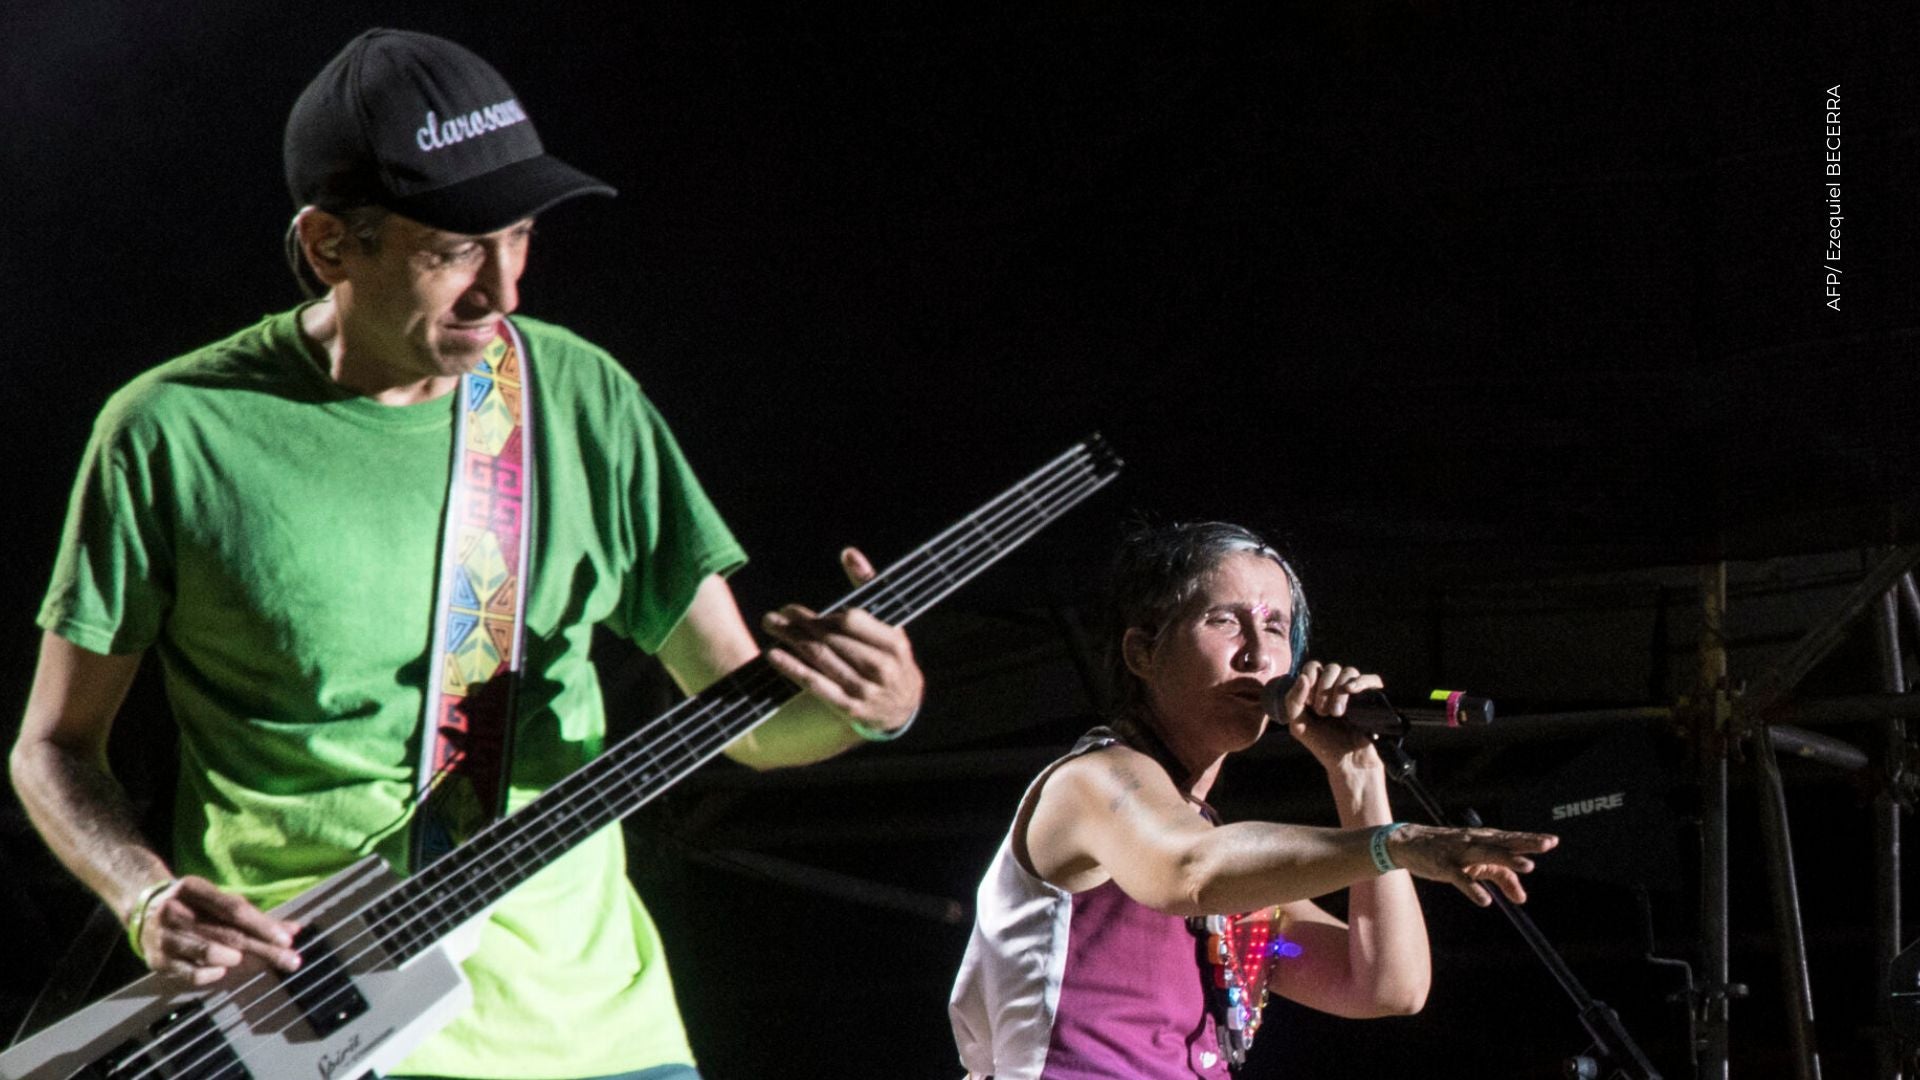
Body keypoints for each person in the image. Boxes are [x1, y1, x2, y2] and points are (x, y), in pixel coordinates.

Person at [11, 28, 923, 1080]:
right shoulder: (172, 432)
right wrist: (145, 896)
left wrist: (871, 707)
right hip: (303, 1027)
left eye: (520, 235)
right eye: (451, 252)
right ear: (328, 246)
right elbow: (53, 749)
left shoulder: (582, 398)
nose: (505, 292)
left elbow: (749, 724)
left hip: (592, 1034)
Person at [948, 521, 1558, 1078]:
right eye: (1223, 621)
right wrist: (1394, 844)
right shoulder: (1094, 780)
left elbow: (1385, 985)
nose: (1259, 655)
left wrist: (1358, 775)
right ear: (1142, 653)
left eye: (1275, 627)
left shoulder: (1243, 893)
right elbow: (1189, 871)